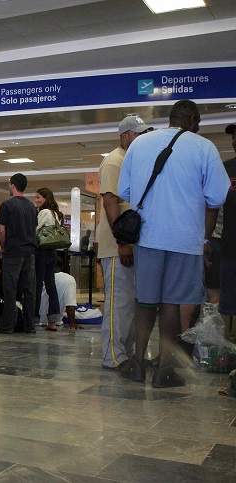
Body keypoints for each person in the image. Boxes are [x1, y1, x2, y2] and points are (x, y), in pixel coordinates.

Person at [118, 100, 229, 387]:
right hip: (185, 239)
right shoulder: (204, 148)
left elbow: (125, 190)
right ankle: (164, 370)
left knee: (145, 302)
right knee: (170, 304)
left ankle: (138, 364)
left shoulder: (140, 145)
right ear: (193, 119)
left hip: (149, 237)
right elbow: (217, 196)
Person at [97, 115, 149, 369]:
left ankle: (125, 353)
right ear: (125, 136)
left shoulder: (133, 161)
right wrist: (123, 241)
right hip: (117, 246)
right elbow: (110, 202)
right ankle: (114, 357)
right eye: (139, 134)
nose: (143, 138)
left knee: (130, 306)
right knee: (119, 305)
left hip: (131, 244)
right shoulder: (113, 161)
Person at [0, 173, 38, 334]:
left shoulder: (7, 205)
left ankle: (7, 325)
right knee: (29, 291)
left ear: (13, 186)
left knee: (10, 290)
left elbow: (1, 229)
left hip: (13, 252)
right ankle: (29, 325)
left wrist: (3, 247)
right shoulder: (32, 207)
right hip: (29, 252)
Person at [34, 187, 63, 332]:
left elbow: (36, 230)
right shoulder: (56, 213)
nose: (36, 200)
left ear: (46, 198)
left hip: (42, 252)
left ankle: (33, 318)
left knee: (37, 285)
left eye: (38, 197)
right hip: (52, 252)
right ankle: (53, 320)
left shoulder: (44, 213)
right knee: (51, 286)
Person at [217, 123, 236, 342]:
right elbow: (216, 207)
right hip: (229, 249)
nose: (234, 140)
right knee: (229, 304)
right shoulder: (226, 168)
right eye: (233, 136)